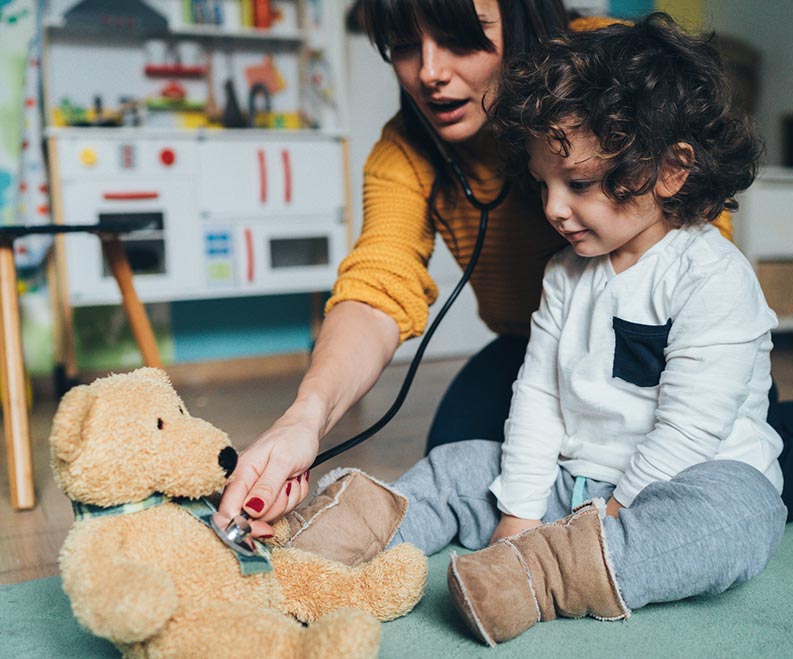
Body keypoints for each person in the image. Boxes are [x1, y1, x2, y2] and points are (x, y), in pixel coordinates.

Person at [275, 13, 788, 646]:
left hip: (674, 482)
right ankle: (342, 530)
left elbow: (689, 428)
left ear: (671, 170)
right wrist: (519, 512)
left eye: (575, 184)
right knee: (457, 465)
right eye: (542, 183)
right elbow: (538, 395)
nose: (552, 209)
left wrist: (609, 519)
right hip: (578, 476)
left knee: (741, 513)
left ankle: (545, 576)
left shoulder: (710, 275)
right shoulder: (565, 273)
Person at [217, 0, 741, 535]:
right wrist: (304, 419)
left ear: (521, 20)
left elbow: (691, 234)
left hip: (659, 344)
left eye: (462, 38)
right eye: (403, 47)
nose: (430, 73)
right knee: (458, 455)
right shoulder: (404, 151)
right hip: (536, 343)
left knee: (728, 476)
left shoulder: (613, 62)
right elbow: (376, 290)